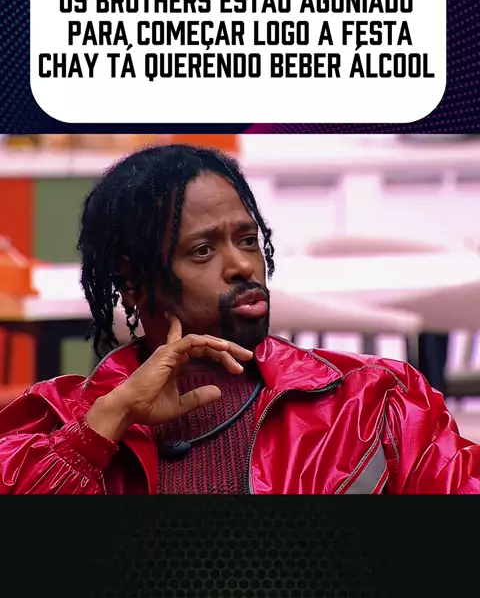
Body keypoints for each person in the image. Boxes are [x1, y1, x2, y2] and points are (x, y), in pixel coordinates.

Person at [0, 144, 479, 494]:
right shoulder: (54, 421)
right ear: (134, 283)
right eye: (202, 250)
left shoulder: (373, 402)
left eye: (248, 241)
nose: (243, 266)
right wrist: (104, 425)